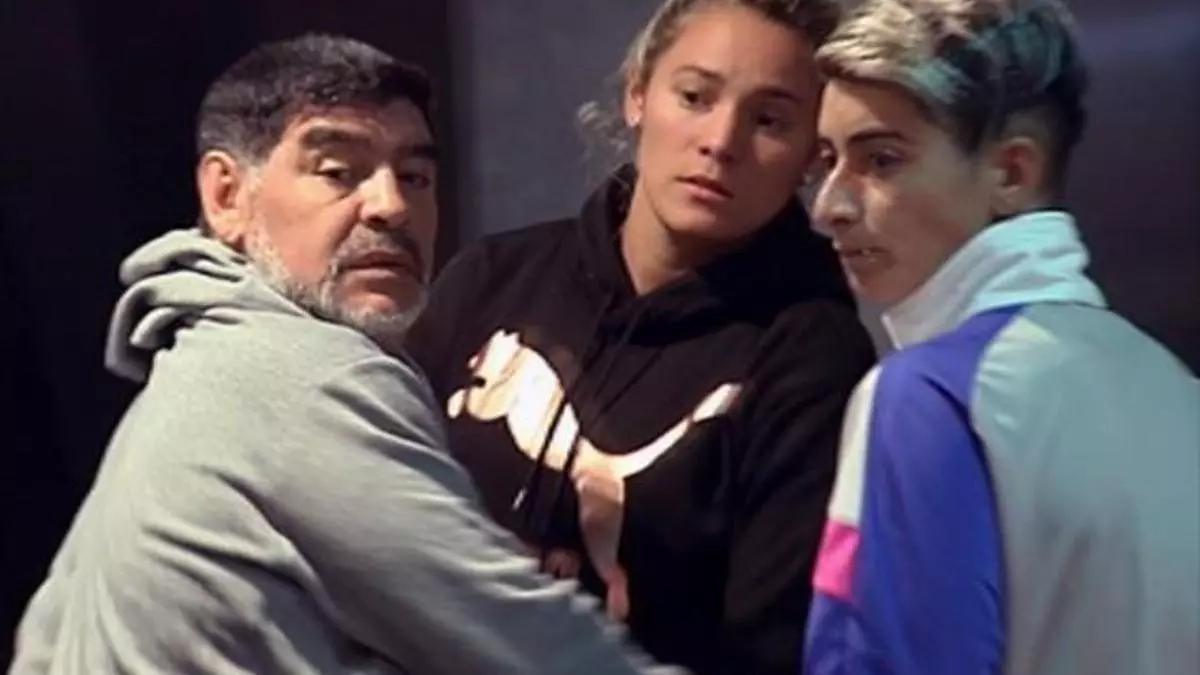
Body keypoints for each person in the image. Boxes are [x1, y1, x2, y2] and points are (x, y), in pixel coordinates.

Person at [7, 34, 688, 675]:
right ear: (226, 196)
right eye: (338, 172)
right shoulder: (301, 375)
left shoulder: (195, 364)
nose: (391, 206)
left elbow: (44, 642)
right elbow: (516, 635)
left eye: (415, 177)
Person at [402, 2, 877, 674]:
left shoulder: (811, 355)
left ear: (810, 155)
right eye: (695, 96)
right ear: (637, 94)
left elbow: (768, 647)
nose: (721, 141)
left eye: (770, 120)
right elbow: (377, 516)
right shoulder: (493, 276)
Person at [801, 1, 1200, 673]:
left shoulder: (929, 398)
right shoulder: (1178, 392)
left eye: (882, 161)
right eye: (827, 161)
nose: (829, 206)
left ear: (1012, 172)